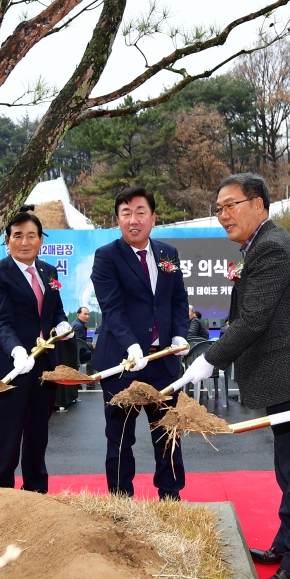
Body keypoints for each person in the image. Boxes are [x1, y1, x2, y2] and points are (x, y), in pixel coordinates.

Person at [177, 173, 290, 579]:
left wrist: (210, 358)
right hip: (281, 377)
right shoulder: (259, 245)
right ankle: (288, 543)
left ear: (258, 205)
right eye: (218, 207)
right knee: (287, 466)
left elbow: (254, 320)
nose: (223, 214)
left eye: (231, 205)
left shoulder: (272, 249)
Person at [91, 187, 190, 500]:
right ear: (118, 219)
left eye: (140, 212)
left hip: (163, 362)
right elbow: (113, 307)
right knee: (120, 436)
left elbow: (177, 298)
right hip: (122, 363)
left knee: (167, 432)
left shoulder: (167, 253)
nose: (133, 220)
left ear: (153, 217)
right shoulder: (107, 256)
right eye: (126, 213)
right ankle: (122, 501)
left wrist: (179, 334)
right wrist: (132, 346)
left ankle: (171, 497)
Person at [0, 211, 72, 492]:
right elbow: (1, 321)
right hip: (13, 365)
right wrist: (17, 351)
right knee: (7, 434)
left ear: (41, 240)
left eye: (31, 235)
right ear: (7, 241)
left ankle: (36, 492)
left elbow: (54, 310)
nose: (24, 241)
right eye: (17, 235)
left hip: (45, 367)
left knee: (38, 433)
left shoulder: (48, 271)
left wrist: (62, 323)